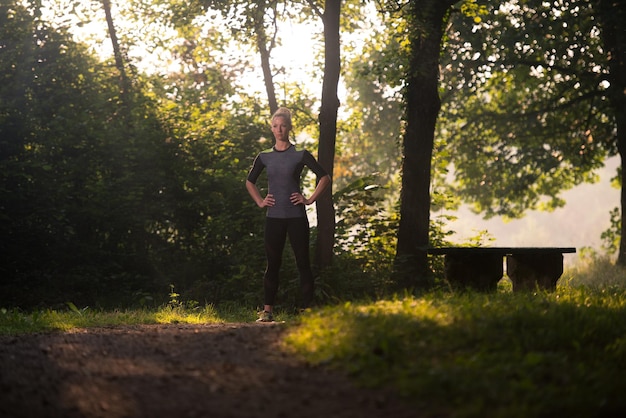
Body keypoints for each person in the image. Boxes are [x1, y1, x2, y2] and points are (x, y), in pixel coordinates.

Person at [246, 107, 331, 322]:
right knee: (273, 263)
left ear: (289, 127)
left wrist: (309, 199)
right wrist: (260, 201)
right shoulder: (264, 157)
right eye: (275, 126)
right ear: (271, 128)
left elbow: (324, 177)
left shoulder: (300, 154)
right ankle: (267, 312)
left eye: (283, 125)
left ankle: (308, 311)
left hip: (296, 217)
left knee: (303, 262)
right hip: (273, 217)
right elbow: (249, 181)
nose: (279, 129)